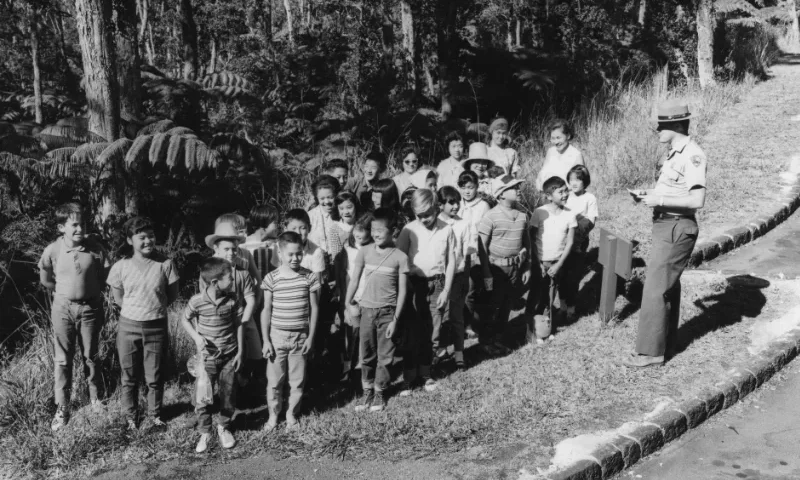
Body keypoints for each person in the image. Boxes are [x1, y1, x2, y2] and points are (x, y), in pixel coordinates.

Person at [624, 100, 706, 368]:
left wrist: (658, 198)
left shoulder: (692, 153)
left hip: (677, 225)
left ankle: (650, 353)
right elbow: (674, 191)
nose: (657, 129)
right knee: (665, 287)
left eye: (661, 125)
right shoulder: (674, 152)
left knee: (655, 288)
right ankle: (664, 345)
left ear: (676, 125)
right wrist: (649, 196)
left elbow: (697, 200)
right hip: (666, 224)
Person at [39, 203, 111, 431]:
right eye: (74, 225)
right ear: (62, 227)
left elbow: (104, 276)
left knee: (91, 355)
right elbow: (46, 280)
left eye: (83, 224)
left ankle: (95, 398)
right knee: (62, 359)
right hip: (63, 310)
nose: (80, 229)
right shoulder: (52, 250)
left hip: (90, 309)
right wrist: (66, 295)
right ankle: (62, 407)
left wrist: (88, 295)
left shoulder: (95, 249)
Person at [108, 216, 179, 430]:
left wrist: (152, 310)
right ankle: (130, 418)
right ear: (130, 240)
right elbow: (118, 298)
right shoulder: (120, 267)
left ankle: (155, 415)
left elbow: (172, 295)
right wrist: (136, 313)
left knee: (155, 375)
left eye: (151, 236)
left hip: (156, 327)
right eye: (142, 237)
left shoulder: (165, 264)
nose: (148, 241)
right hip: (128, 328)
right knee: (128, 375)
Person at [346, 209, 410, 411]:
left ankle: (380, 391)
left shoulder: (400, 257)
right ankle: (367, 392)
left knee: (385, 355)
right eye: (373, 230)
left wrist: (395, 319)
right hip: (366, 310)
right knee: (366, 354)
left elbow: (402, 291)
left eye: (380, 230)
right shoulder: (365, 251)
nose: (375, 234)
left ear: (393, 231)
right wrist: (348, 304)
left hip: (388, 313)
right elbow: (354, 279)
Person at [396, 189, 457, 394]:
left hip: (437, 285)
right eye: (419, 215)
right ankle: (409, 376)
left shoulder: (447, 230)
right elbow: (398, 260)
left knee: (433, 331)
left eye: (428, 214)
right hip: (414, 285)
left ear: (437, 208)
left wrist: (446, 290)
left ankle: (426, 373)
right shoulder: (408, 230)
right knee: (412, 332)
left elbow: (450, 262)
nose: (424, 219)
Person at [181, 257, 244, 453]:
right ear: (215, 282)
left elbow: (239, 324)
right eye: (230, 279)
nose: (233, 282)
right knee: (203, 397)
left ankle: (223, 426)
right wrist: (196, 336)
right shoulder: (197, 301)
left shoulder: (233, 299)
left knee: (228, 394)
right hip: (206, 360)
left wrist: (241, 350)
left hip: (229, 356)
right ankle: (205, 431)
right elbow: (185, 319)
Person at [261, 231, 321, 431]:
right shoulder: (272, 278)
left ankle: (291, 414)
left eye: (299, 254)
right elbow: (266, 310)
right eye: (290, 254)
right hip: (276, 337)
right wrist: (266, 340)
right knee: (274, 382)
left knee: (297, 380)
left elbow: (315, 308)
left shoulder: (309, 277)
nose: (295, 258)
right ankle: (273, 415)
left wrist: (311, 337)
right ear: (280, 253)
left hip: (300, 338)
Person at [477, 175, 532, 354]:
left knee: (507, 303)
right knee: (492, 305)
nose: (518, 189)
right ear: (501, 195)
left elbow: (527, 243)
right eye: (513, 187)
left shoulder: (523, 216)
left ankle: (498, 338)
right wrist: (486, 273)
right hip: (495, 268)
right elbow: (482, 246)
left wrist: (527, 266)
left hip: (514, 268)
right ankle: (486, 340)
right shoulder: (490, 216)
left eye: (518, 186)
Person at [201, 223, 260, 379]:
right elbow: (203, 300)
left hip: (242, 317)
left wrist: (245, 321)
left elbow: (250, 299)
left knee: (255, 351)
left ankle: (246, 384)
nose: (231, 253)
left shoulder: (242, 272)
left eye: (234, 249)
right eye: (226, 249)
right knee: (217, 357)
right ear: (216, 249)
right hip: (218, 320)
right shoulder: (209, 271)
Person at [530, 176, 578, 341]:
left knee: (552, 294)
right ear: (549, 196)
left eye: (566, 191)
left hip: (559, 262)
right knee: (541, 296)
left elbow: (570, 241)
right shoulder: (539, 213)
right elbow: (531, 240)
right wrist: (538, 263)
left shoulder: (569, 214)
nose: (565, 194)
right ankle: (535, 331)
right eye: (561, 192)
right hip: (541, 263)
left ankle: (545, 329)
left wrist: (559, 264)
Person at [334, 213, 373, 382]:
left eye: (363, 230)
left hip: (369, 297)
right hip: (353, 297)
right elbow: (345, 276)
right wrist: (345, 301)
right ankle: (347, 366)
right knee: (351, 332)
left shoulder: (374, 248)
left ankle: (363, 366)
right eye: (356, 229)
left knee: (367, 333)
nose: (358, 233)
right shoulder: (347, 248)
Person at [437, 186, 472, 368]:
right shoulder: (435, 223)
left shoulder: (463, 224)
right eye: (450, 202)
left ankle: (459, 352)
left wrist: (464, 277)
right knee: (439, 315)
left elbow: (466, 253)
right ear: (440, 204)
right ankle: (440, 349)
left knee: (457, 315)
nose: (455, 206)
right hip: (438, 277)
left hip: (457, 275)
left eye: (457, 202)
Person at [457, 171, 491, 339]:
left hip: (476, 253)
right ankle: (459, 323)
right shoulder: (457, 204)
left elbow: (485, 231)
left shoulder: (483, 206)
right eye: (463, 188)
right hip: (458, 253)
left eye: (470, 187)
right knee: (461, 289)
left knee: (472, 289)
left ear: (477, 187)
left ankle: (470, 324)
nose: (467, 191)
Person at [563, 165, 598, 319]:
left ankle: (571, 307)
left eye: (578, 179)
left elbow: (590, 221)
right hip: (562, 239)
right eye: (571, 180)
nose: (574, 183)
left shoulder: (589, 198)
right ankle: (562, 305)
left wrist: (576, 222)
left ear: (585, 181)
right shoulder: (566, 195)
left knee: (574, 274)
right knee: (561, 273)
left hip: (579, 240)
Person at [536, 119, 585, 191]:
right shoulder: (551, 151)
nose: (556, 142)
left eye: (558, 138)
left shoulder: (576, 155)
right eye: (553, 138)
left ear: (568, 136)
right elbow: (542, 173)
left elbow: (579, 184)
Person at [307, 175, 344, 264]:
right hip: (316, 264)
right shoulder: (310, 216)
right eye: (322, 198)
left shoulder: (343, 213)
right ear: (317, 198)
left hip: (340, 263)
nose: (327, 202)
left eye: (330, 197)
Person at [241, 204, 280, 279]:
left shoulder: (276, 244)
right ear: (263, 223)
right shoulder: (244, 245)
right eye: (275, 223)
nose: (277, 226)